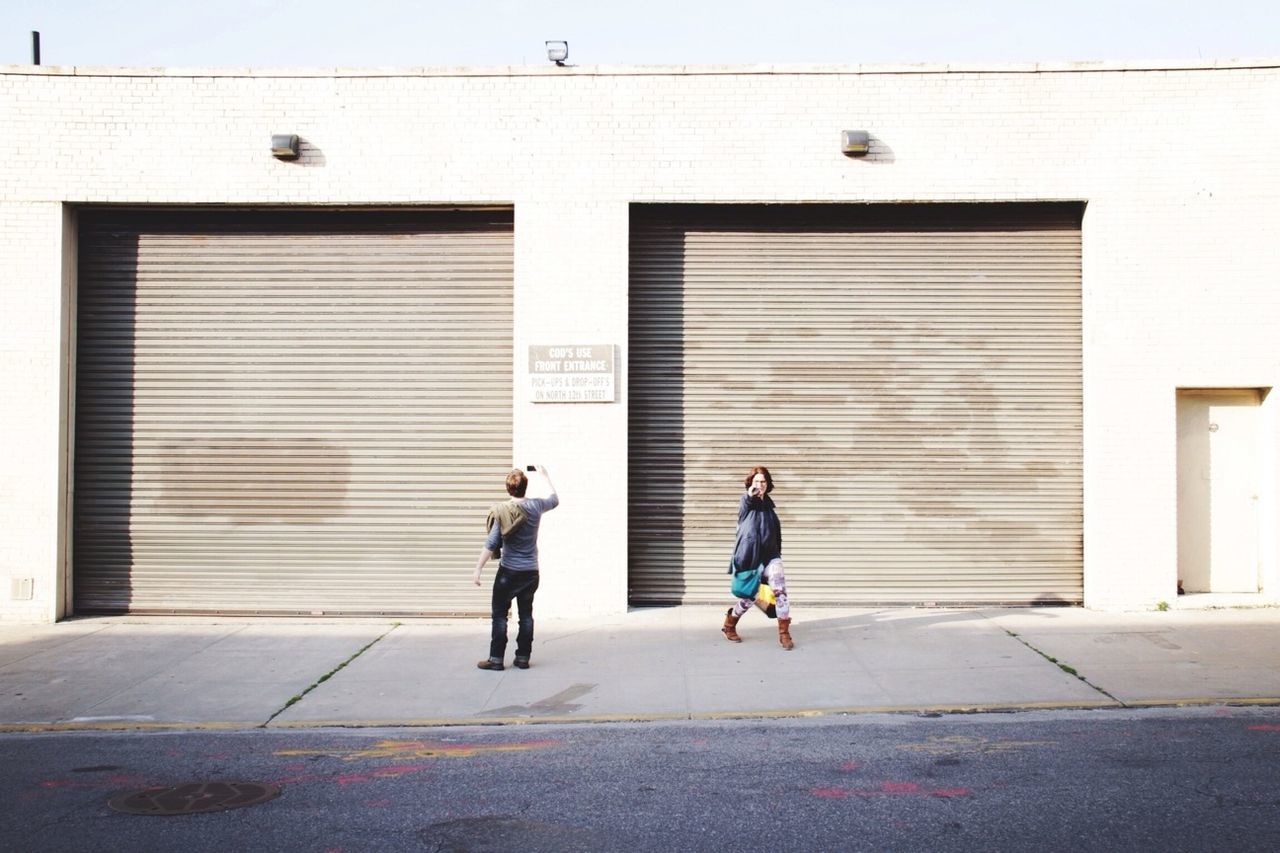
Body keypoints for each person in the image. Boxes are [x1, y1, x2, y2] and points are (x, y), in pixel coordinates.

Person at [473, 465, 559, 671]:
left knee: (500, 615)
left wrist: (478, 568)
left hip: (509, 572)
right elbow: (554, 500)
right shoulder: (536, 506)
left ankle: (496, 659)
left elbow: (492, 543)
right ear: (525, 487)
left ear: (508, 488)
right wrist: (545, 476)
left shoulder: (503, 511)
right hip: (530, 572)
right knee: (526, 616)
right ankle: (522, 658)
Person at [722, 465, 794, 650]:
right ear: (750, 483)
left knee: (780, 593)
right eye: (756, 481)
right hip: (750, 560)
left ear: (767, 484)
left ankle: (784, 634)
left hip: (771, 558)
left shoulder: (770, 507)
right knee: (749, 599)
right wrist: (750, 494)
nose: (759, 485)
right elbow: (746, 501)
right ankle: (730, 624)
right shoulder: (746, 504)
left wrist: (777, 553)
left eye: (763, 482)